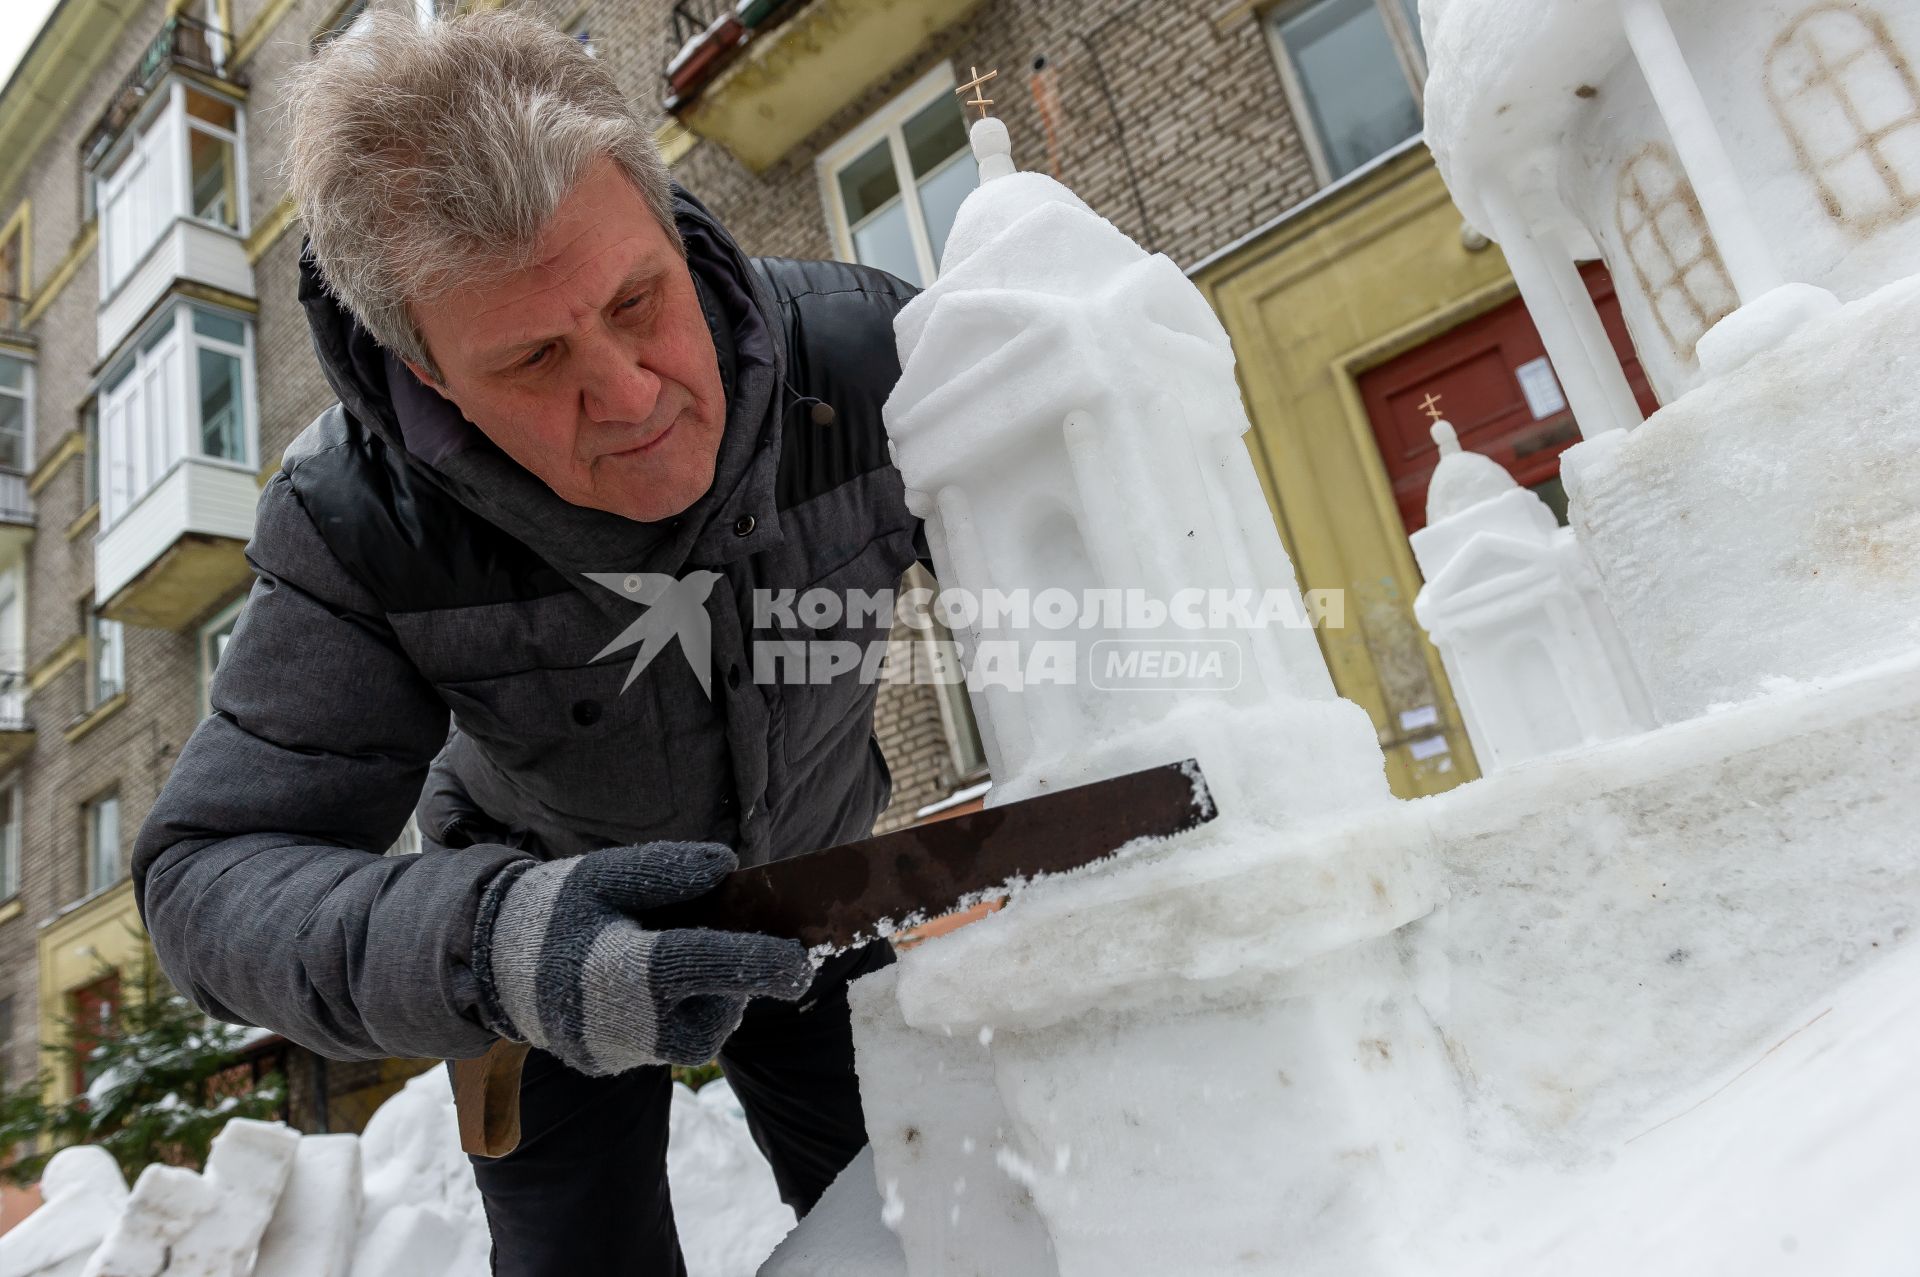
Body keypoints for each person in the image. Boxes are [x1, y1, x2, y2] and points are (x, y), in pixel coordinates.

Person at [132, 12, 925, 1273]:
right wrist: (499, 948)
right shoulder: (355, 520)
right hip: (532, 957)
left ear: (671, 230)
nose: (628, 392)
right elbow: (206, 878)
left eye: (635, 299)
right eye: (535, 356)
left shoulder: (872, 358)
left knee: (921, 1222)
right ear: (428, 373)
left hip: (821, 892)